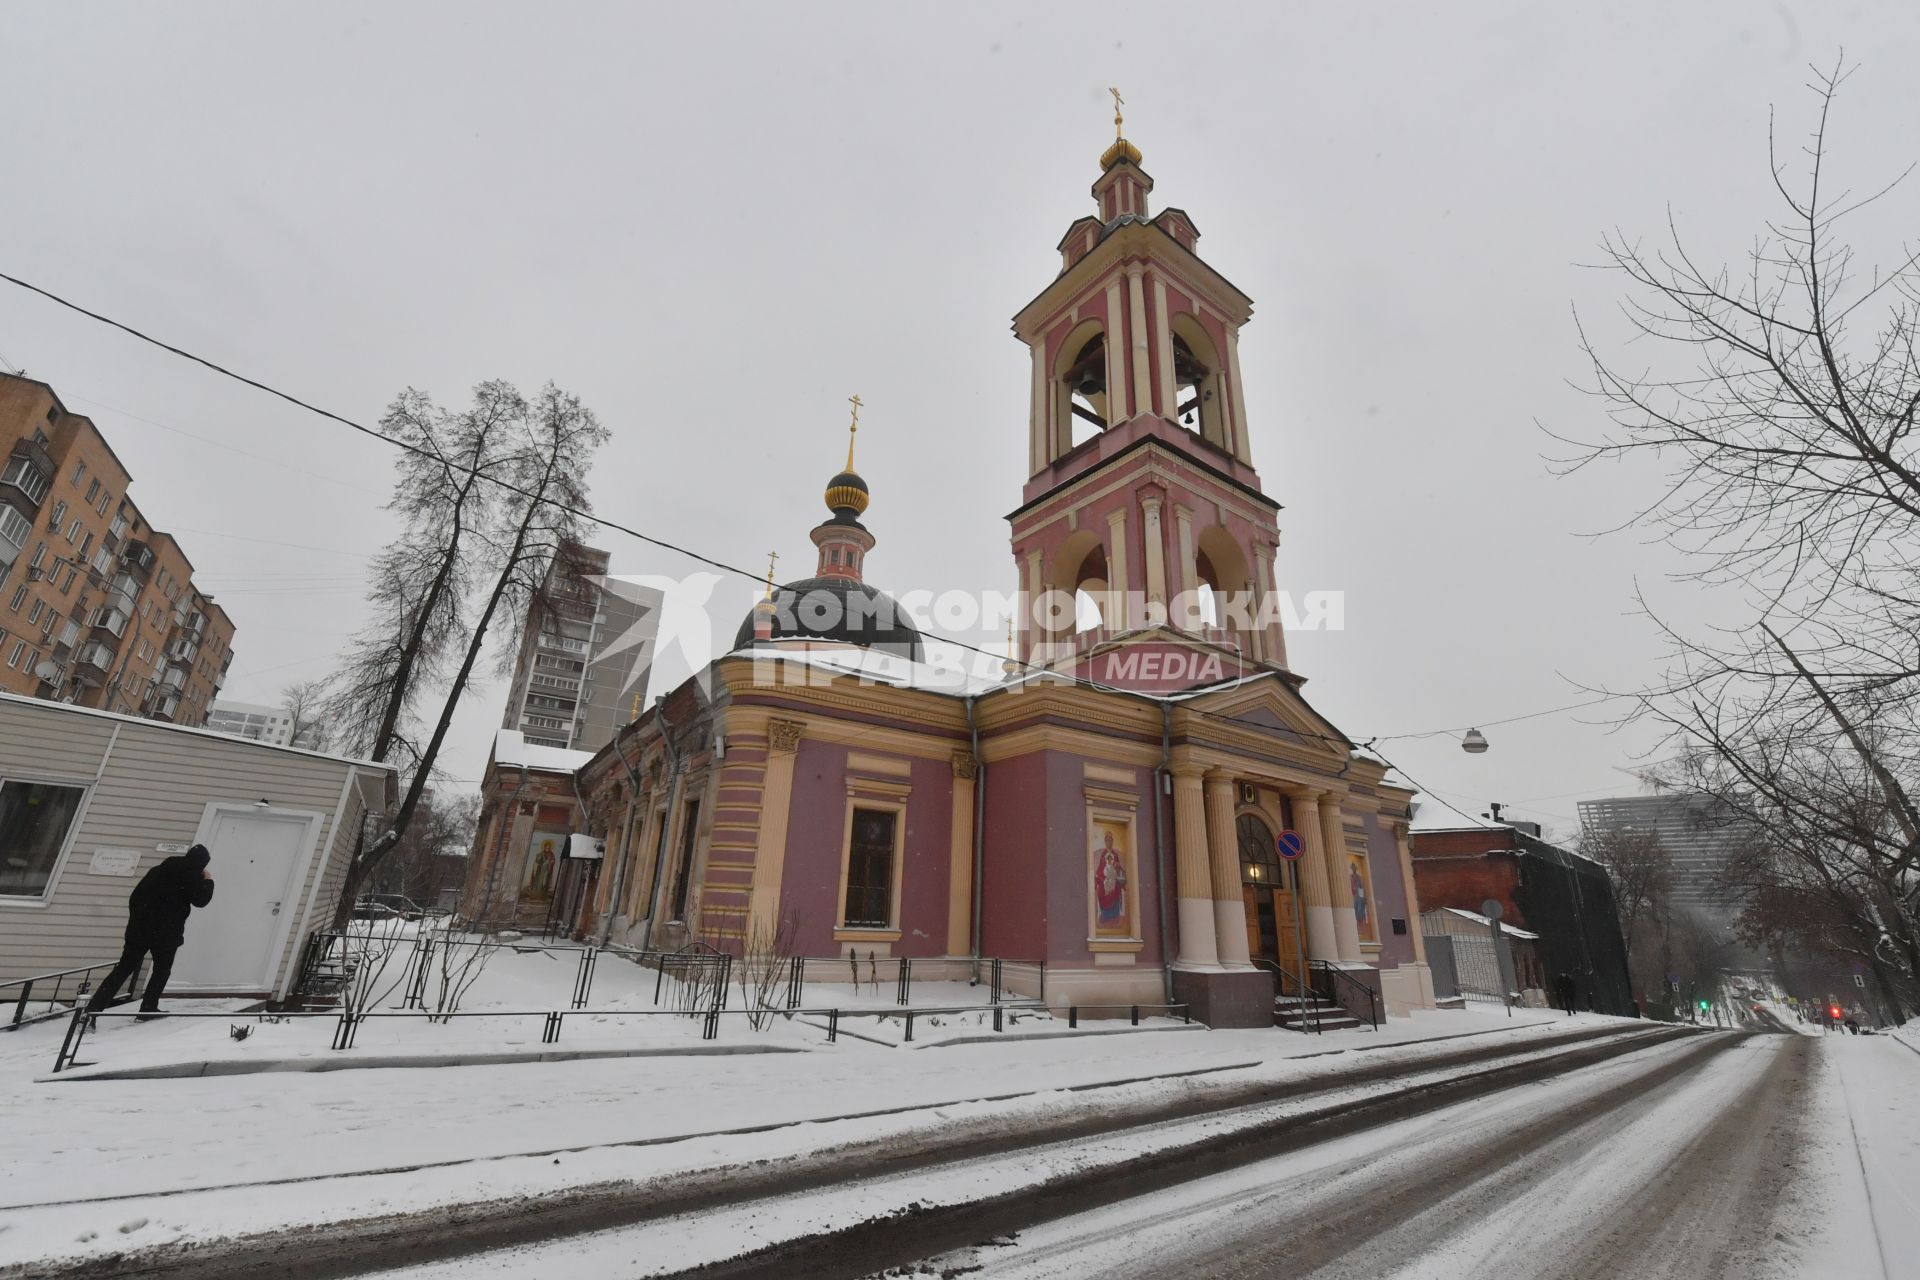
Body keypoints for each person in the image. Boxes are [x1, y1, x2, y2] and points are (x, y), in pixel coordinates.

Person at [85, 844, 215, 1017]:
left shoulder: (158, 871)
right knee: (161, 971)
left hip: (139, 932)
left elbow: (135, 898)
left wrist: (139, 922)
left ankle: (93, 1010)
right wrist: (208, 881)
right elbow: (201, 900)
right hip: (166, 935)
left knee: (123, 969)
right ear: (202, 863)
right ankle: (148, 1007)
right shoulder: (190, 876)